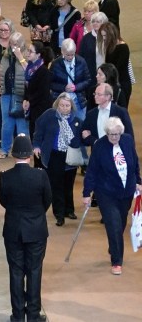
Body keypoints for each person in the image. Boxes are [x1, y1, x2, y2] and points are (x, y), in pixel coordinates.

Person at [0, 134, 51, 322]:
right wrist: (35, 215)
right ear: (29, 155)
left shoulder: (5, 177)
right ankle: (34, 315)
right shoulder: (40, 175)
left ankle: (18, 315)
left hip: (13, 230)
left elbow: (4, 201)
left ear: (14, 155)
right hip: (36, 231)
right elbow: (47, 201)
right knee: (35, 271)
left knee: (16, 271)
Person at [82, 117, 142, 276]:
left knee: (120, 223)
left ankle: (114, 244)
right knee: (114, 224)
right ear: (106, 133)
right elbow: (92, 171)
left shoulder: (128, 141)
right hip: (106, 192)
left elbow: (135, 162)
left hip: (126, 191)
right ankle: (117, 261)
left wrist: (138, 181)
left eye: (116, 134)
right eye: (110, 134)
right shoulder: (100, 146)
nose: (114, 137)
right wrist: (86, 193)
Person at [33, 93, 83, 226]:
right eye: (61, 105)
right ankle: (59, 214)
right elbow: (39, 130)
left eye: (67, 106)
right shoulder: (49, 115)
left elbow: (79, 140)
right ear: (57, 104)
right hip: (54, 155)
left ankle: (69, 210)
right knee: (56, 185)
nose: (64, 108)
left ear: (71, 106)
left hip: (70, 156)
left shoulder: (77, 120)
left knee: (68, 184)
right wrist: (37, 145)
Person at [0, 32, 31, 160]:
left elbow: (30, 72)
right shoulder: (5, 56)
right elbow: (0, 71)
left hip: (20, 94)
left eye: (16, 44)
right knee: (7, 123)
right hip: (7, 93)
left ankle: (25, 150)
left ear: (22, 44)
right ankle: (5, 149)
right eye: (11, 44)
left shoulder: (27, 55)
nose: (13, 47)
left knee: (22, 124)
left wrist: (20, 57)